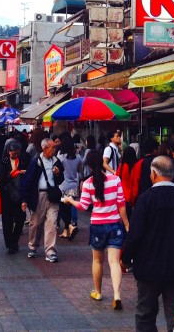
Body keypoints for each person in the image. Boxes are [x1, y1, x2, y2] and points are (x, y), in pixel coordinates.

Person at [122, 155, 174, 332]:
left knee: (145, 315)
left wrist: (126, 258)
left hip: (148, 268)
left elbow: (135, 234)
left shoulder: (146, 199)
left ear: (154, 174)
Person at [62, 149, 130, 310]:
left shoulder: (88, 183)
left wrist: (70, 201)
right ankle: (117, 295)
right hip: (115, 225)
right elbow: (121, 204)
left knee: (97, 260)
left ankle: (98, 292)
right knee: (114, 262)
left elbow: (84, 206)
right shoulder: (115, 180)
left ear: (90, 166)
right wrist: (126, 223)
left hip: (98, 226)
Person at [22, 137, 64, 262]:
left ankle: (50, 250)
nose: (54, 150)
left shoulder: (56, 161)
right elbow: (28, 181)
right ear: (45, 148)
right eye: (52, 148)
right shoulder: (36, 162)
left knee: (52, 223)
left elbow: (60, 179)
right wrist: (25, 199)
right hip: (38, 195)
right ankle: (33, 246)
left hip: (52, 195)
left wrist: (57, 173)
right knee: (36, 223)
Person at [0, 141, 27, 254]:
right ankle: (10, 244)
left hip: (19, 194)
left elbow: (27, 176)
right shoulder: (3, 161)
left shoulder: (23, 160)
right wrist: (13, 172)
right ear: (8, 151)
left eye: (16, 153)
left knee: (21, 217)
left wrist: (24, 172)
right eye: (12, 153)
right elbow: (3, 178)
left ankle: (15, 240)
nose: (14, 155)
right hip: (6, 194)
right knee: (7, 220)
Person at [57, 133, 83, 241]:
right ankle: (66, 231)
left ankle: (70, 226)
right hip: (74, 186)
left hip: (63, 186)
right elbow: (79, 170)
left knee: (62, 209)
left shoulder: (61, 157)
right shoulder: (77, 157)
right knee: (68, 208)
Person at [116, 145, 140, 216]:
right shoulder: (136, 166)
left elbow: (116, 178)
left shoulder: (122, 166)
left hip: (123, 196)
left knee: (125, 219)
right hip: (134, 196)